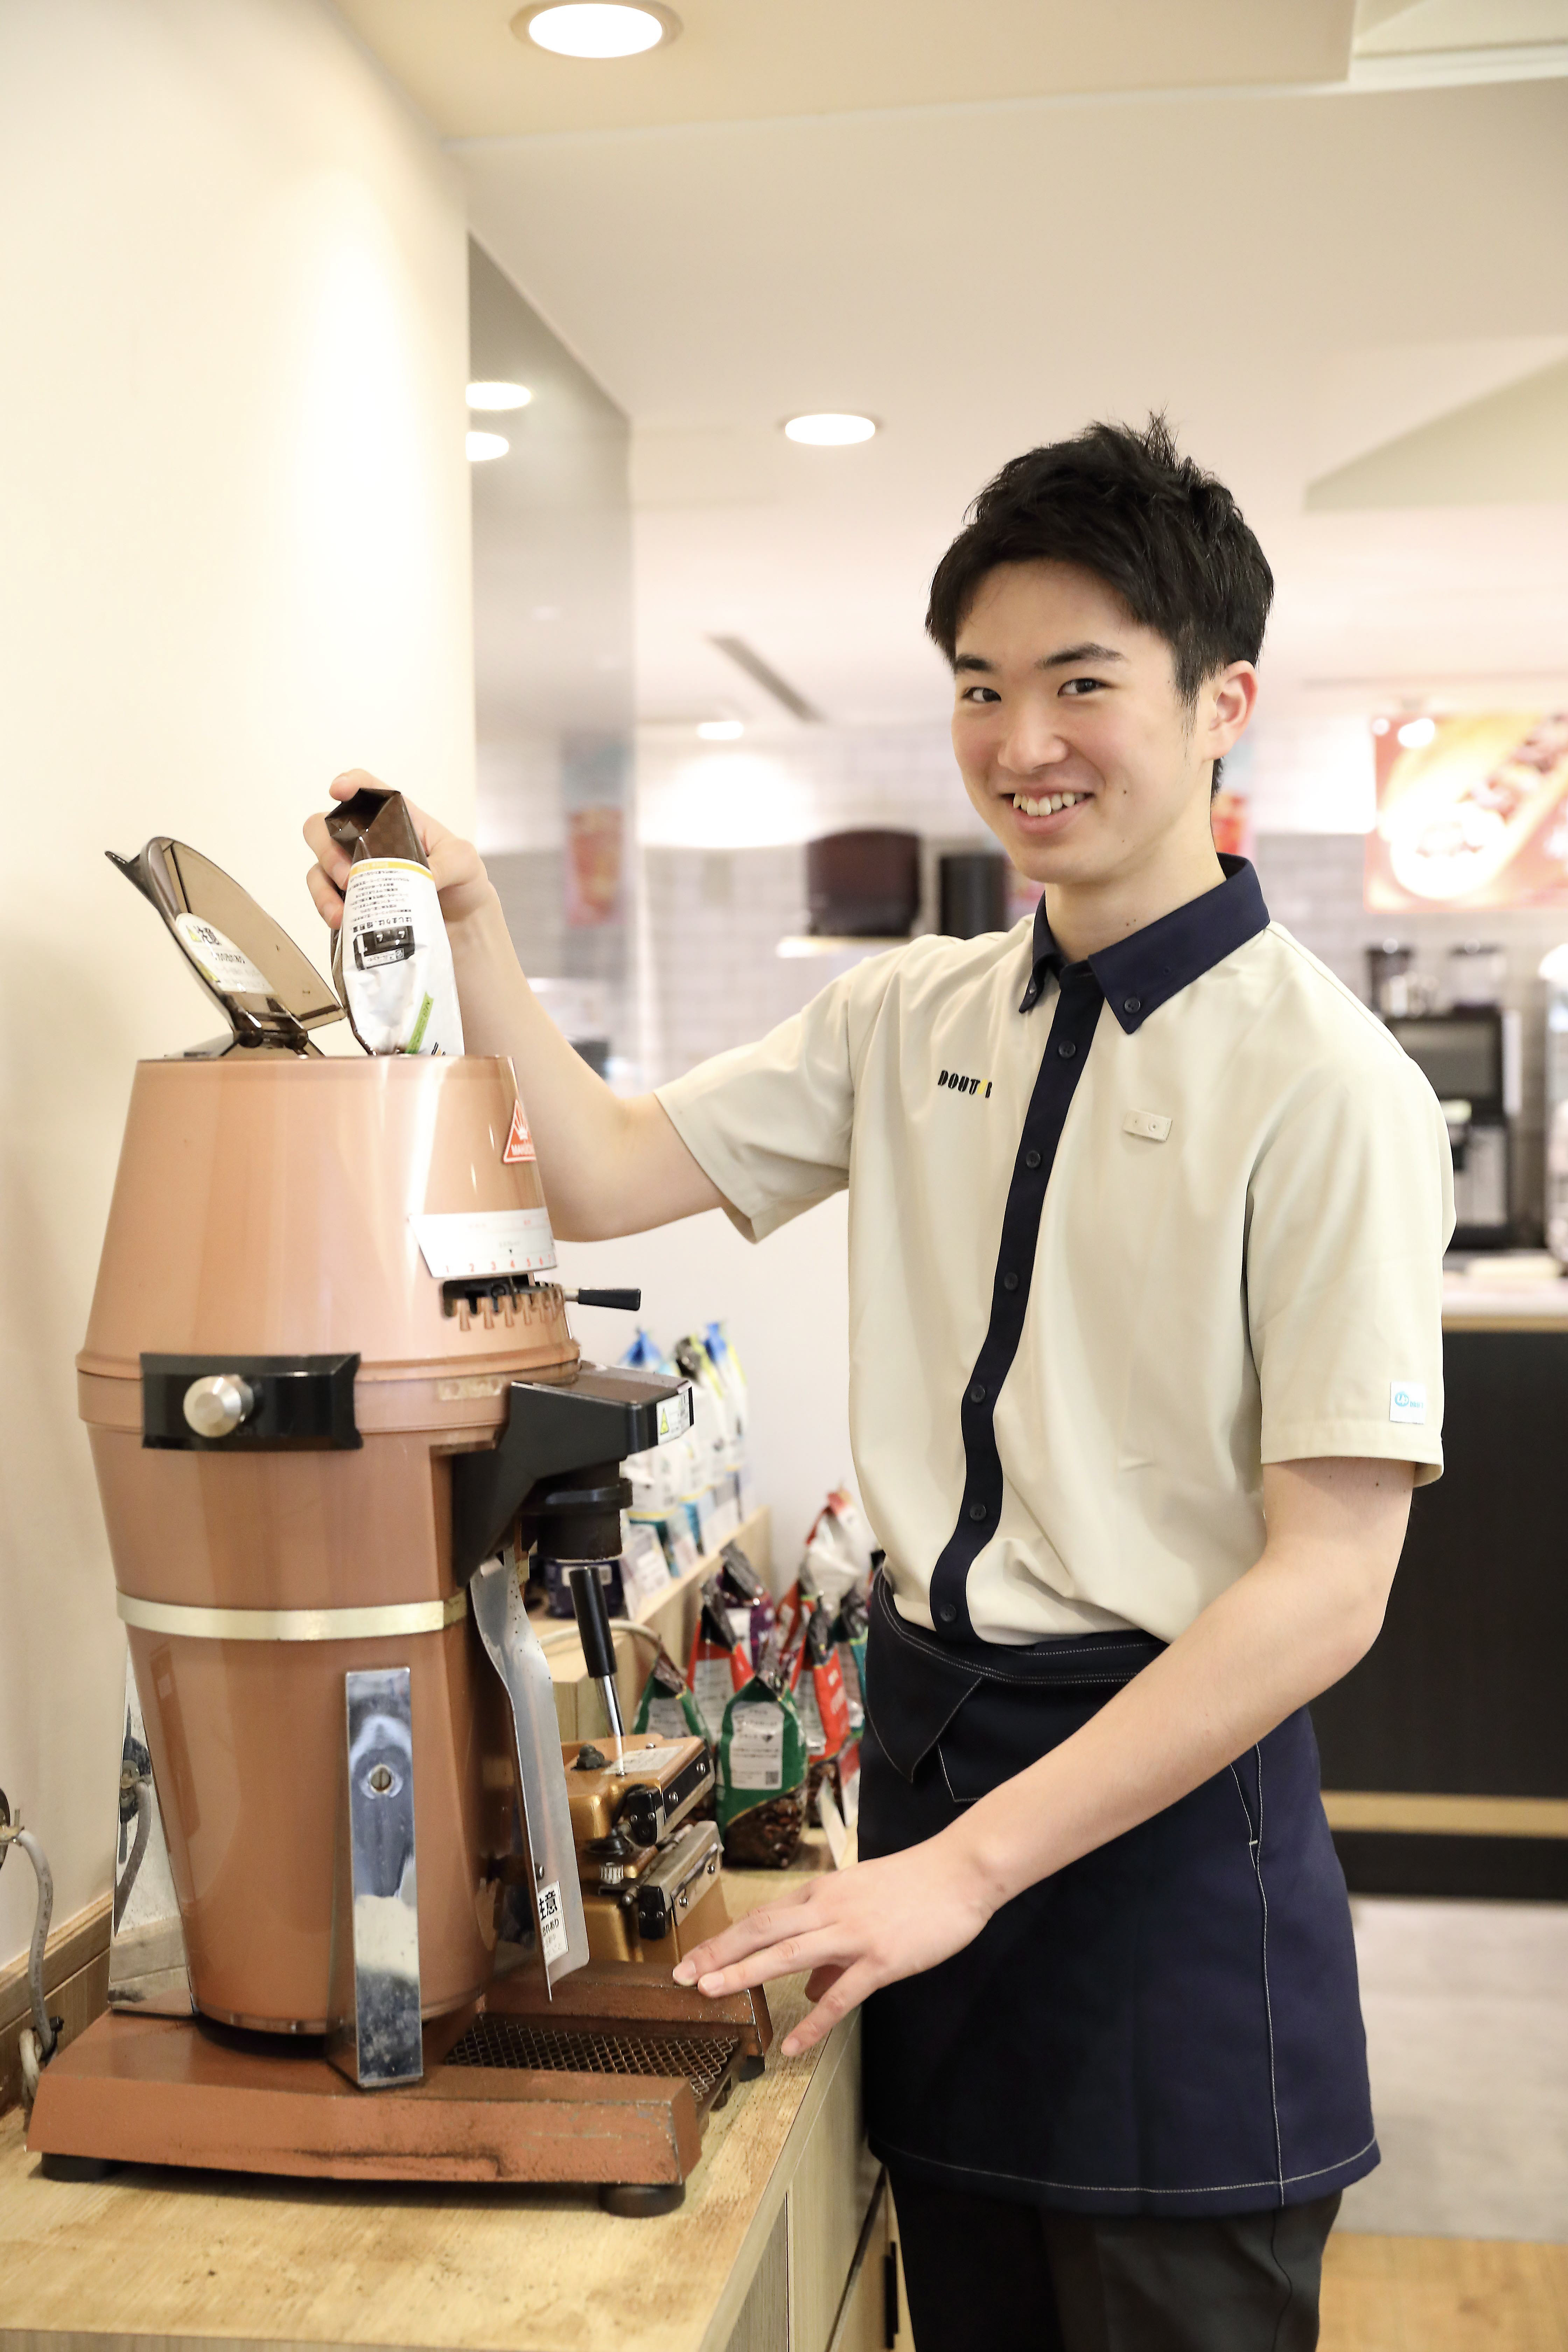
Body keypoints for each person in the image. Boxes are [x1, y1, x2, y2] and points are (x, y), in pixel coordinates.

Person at [305, 416, 1452, 2352]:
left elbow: (1329, 1587)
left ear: (1222, 702)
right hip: (925, 1779)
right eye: (982, 689)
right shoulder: (909, 1012)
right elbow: (600, 1172)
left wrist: (964, 1876)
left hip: (1165, 1839)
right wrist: (474, 931)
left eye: (1082, 682)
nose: (1025, 742)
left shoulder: (1330, 1086)